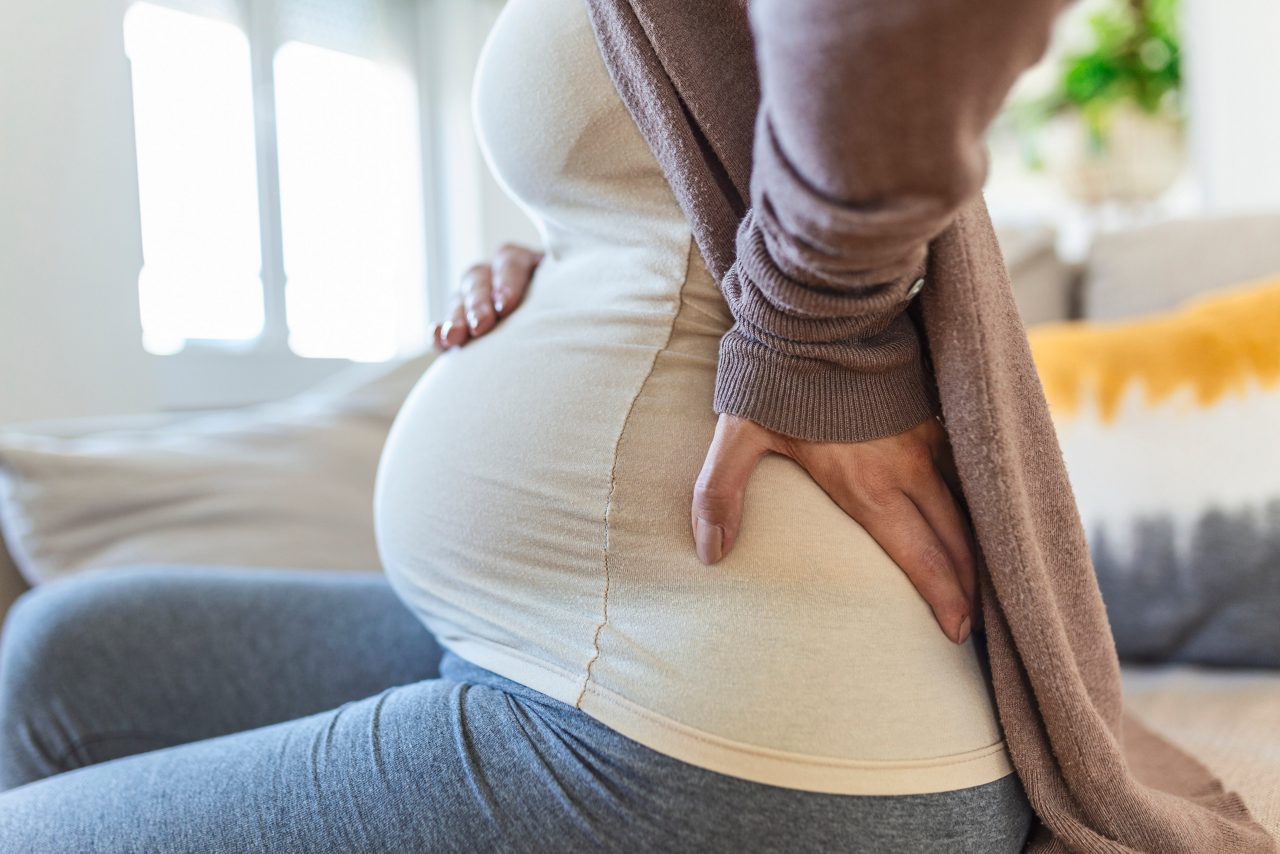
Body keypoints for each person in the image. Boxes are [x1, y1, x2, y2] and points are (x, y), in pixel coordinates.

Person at [0, 0, 1268, 851]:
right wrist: (567, 251)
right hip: (590, 639)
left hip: (723, 714)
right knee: (65, 648)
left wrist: (811, 328)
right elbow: (687, 172)